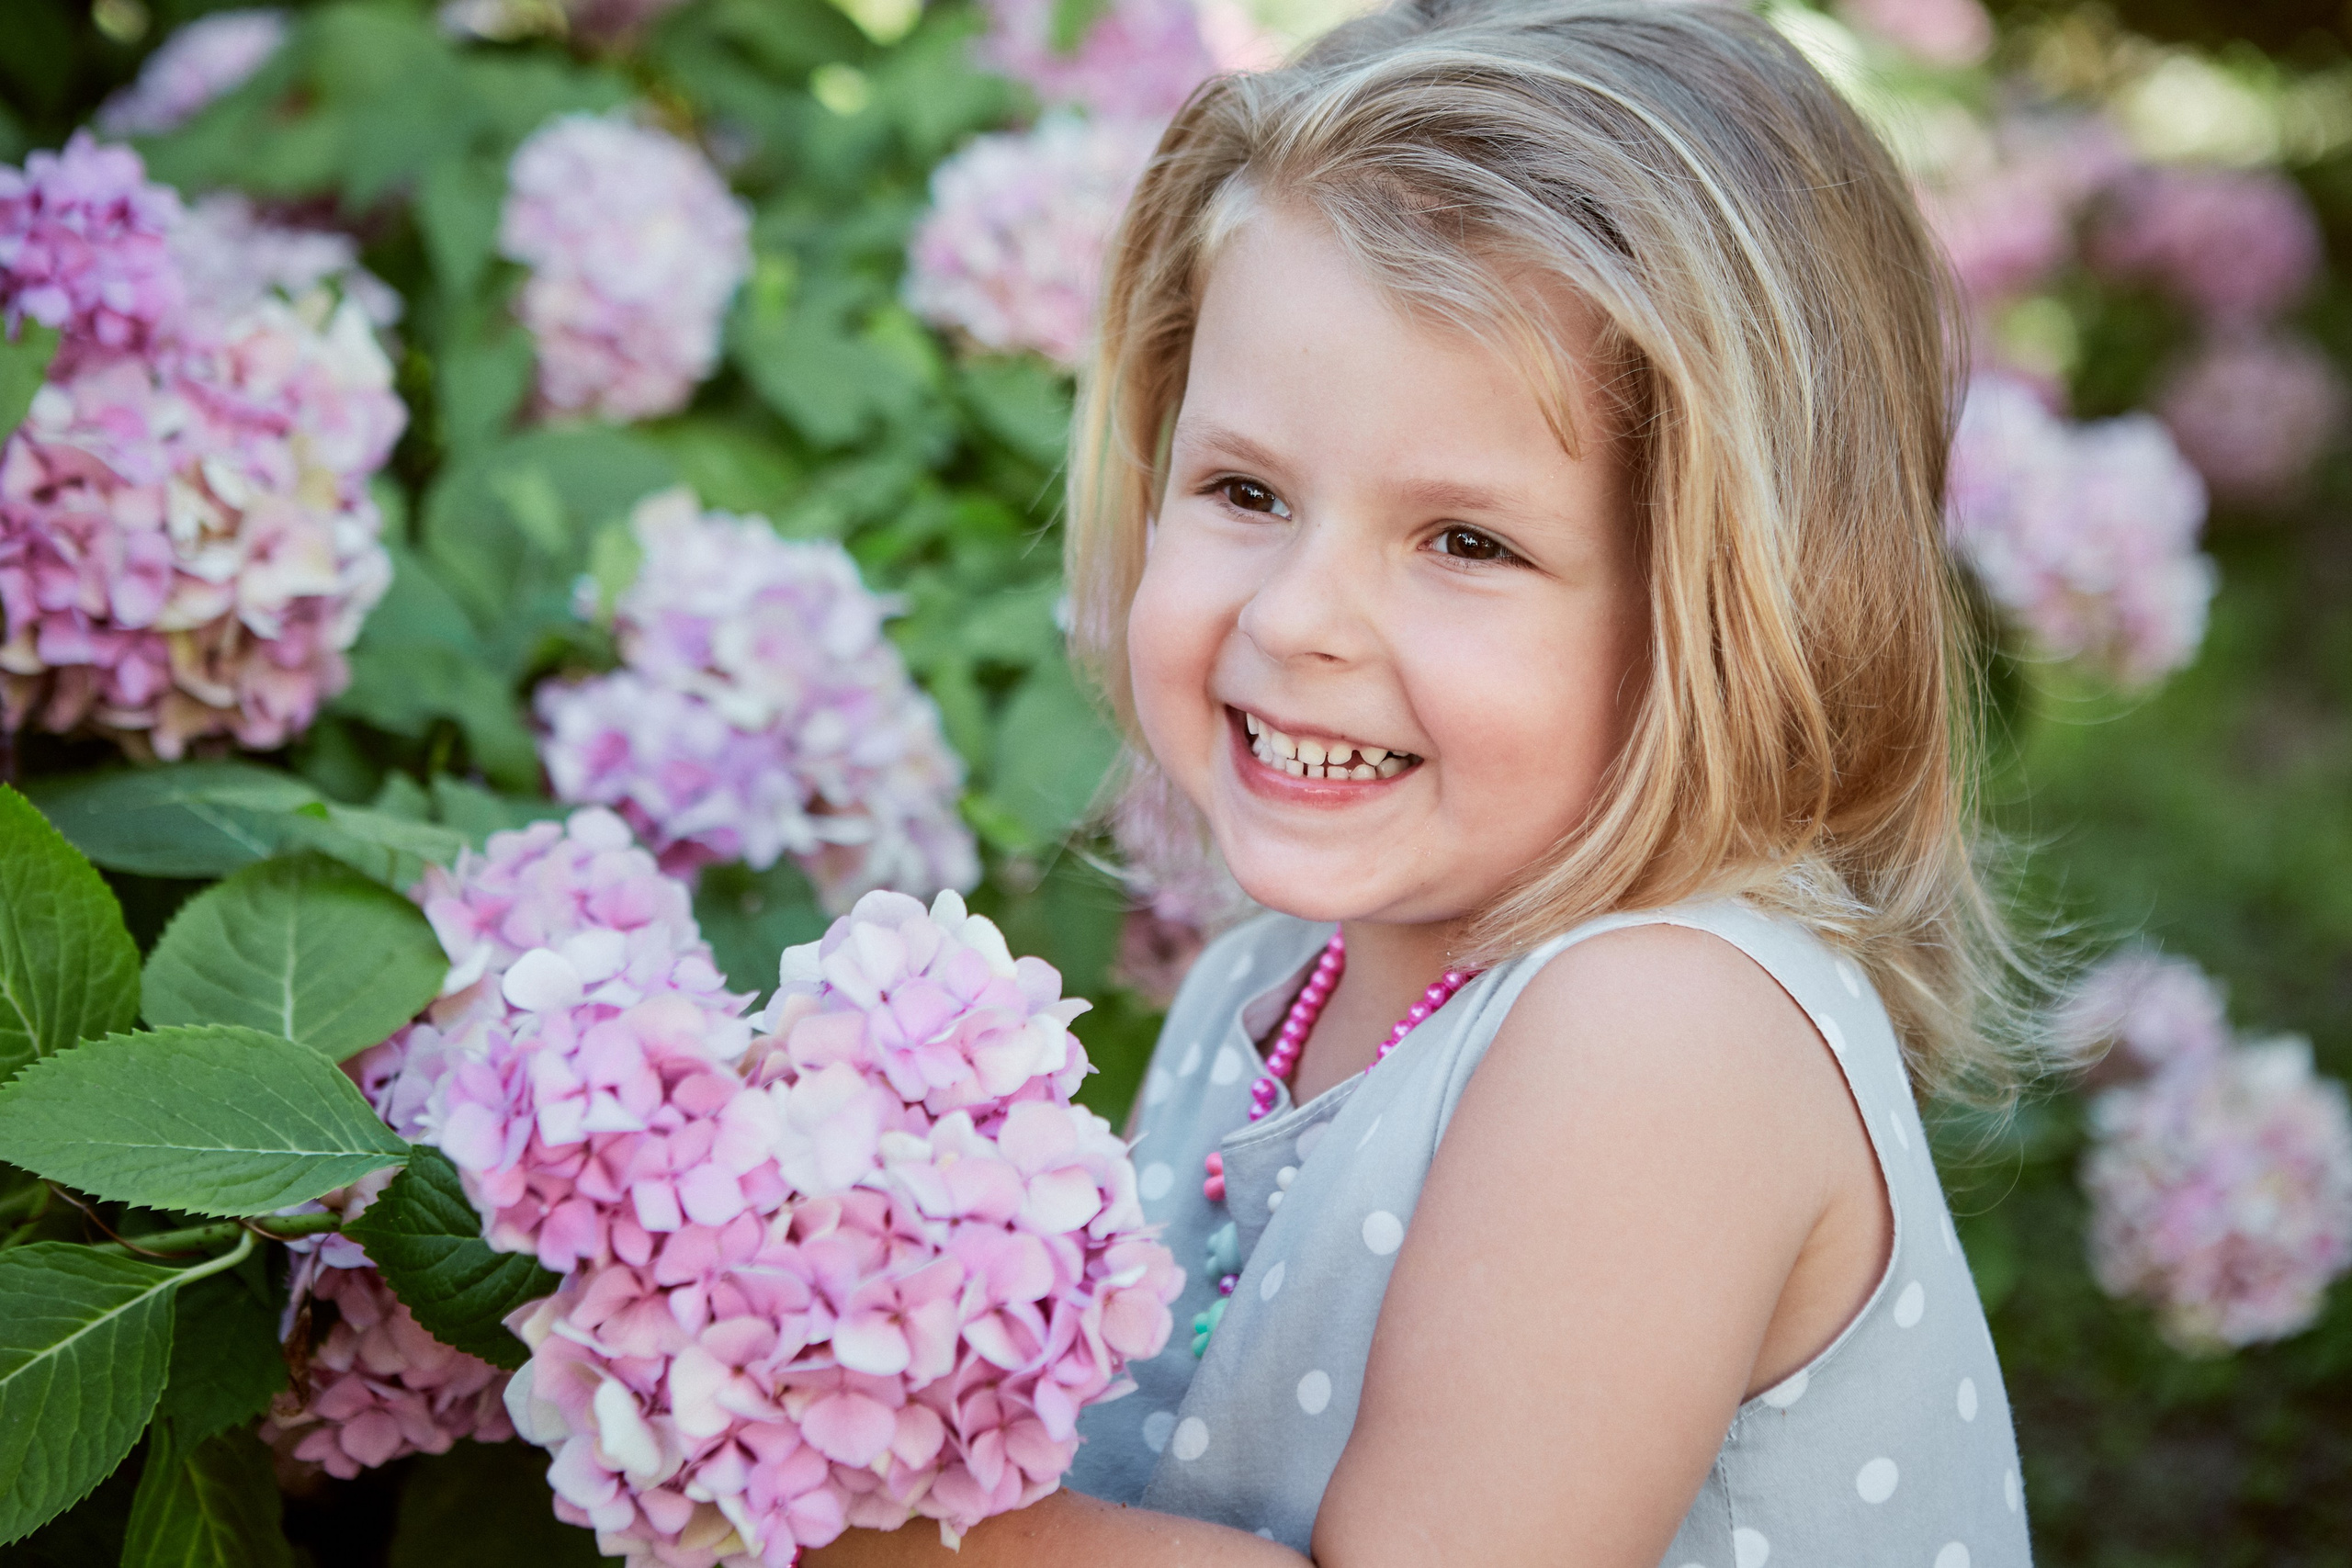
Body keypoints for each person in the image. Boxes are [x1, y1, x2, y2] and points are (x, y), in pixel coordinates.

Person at [812, 0, 2041, 1562]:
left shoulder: (1664, 1034)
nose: (1295, 618)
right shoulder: (1264, 989)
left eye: (1467, 542)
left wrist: (841, 1505)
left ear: (1745, 608)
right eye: (1245, 490)